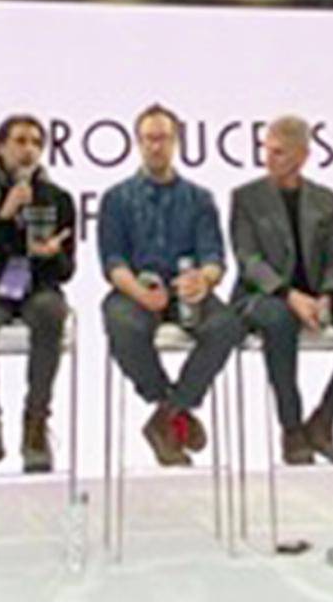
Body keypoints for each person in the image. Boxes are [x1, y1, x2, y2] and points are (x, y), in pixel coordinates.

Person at [232, 116, 333, 464]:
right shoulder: (246, 198)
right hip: (266, 295)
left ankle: (326, 417)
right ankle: (291, 428)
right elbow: (249, 260)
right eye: (266, 151)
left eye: (279, 153)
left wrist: (329, 296)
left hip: (321, 291)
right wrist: (289, 295)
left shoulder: (325, 199)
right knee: (279, 321)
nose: (268, 159)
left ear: (302, 155)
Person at [99, 103, 242, 467]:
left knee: (227, 325)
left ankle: (168, 415)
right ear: (138, 143)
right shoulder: (116, 198)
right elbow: (112, 262)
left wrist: (203, 280)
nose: (156, 146)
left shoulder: (199, 198)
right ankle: (170, 407)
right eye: (149, 139)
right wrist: (139, 292)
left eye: (162, 138)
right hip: (136, 289)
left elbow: (215, 259)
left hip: (186, 290)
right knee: (122, 323)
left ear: (176, 141)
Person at [0, 114, 76, 476]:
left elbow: (68, 269)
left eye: (36, 143)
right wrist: (4, 215)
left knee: (50, 314)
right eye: (20, 141)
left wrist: (52, 253)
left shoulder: (58, 199)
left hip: (40, 286)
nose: (28, 150)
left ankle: (36, 425)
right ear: (0, 148)